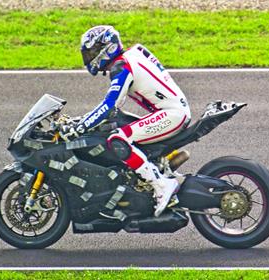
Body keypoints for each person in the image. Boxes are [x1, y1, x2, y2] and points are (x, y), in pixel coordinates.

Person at [66, 25, 191, 217]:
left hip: (172, 114)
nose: (89, 58)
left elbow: (109, 105)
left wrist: (80, 127)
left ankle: (162, 185)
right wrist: (81, 120)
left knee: (118, 140)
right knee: (119, 124)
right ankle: (159, 169)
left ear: (106, 47)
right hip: (170, 111)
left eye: (92, 52)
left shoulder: (122, 66)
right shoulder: (130, 56)